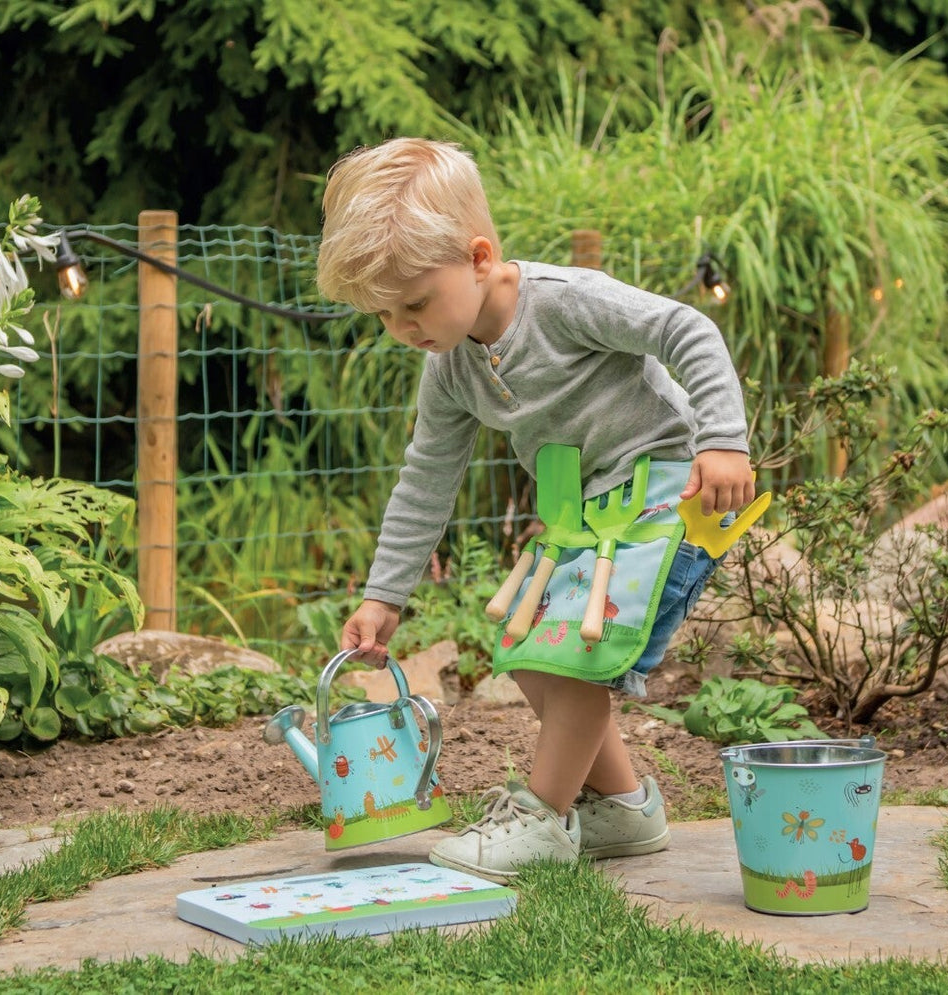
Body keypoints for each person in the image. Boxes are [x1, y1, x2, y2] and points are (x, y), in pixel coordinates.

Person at [314, 137, 754, 883]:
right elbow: (425, 475)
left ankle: (543, 816)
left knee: (578, 655)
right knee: (526, 649)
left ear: (479, 257)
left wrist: (722, 440)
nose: (404, 327)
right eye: (384, 314)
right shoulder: (448, 366)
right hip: (586, 513)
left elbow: (687, 329)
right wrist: (384, 594)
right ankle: (622, 805)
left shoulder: (563, 302)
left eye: (415, 303)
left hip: (669, 493)